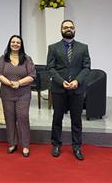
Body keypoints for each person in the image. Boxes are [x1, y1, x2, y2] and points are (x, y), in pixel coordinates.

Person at [47, 19, 91, 161]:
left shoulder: (83, 47)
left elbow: (86, 67)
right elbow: (50, 68)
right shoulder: (53, 48)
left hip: (77, 89)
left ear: (74, 29)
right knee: (57, 118)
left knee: (76, 119)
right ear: (61, 29)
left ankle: (77, 146)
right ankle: (56, 144)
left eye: (71, 27)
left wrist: (77, 81)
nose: (68, 29)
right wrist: (61, 81)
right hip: (59, 89)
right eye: (65, 27)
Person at [0, 35, 36, 157]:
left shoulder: (27, 59)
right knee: (9, 119)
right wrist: (10, 83)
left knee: (23, 117)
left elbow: (32, 75)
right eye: (13, 42)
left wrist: (18, 83)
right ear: (9, 44)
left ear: (21, 45)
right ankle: (12, 143)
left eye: (18, 42)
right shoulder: (3, 58)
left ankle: (25, 145)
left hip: (23, 93)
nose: (15, 44)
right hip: (7, 93)